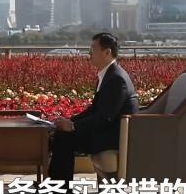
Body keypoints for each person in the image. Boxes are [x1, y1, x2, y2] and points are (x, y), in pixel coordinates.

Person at [49, 32, 139, 181]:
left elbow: (105, 116)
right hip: (105, 131)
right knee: (62, 133)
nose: (89, 53)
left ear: (107, 52)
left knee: (65, 137)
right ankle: (56, 186)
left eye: (93, 49)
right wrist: (69, 121)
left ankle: (59, 189)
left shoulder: (117, 79)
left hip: (113, 137)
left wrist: (73, 127)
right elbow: (94, 110)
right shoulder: (108, 74)